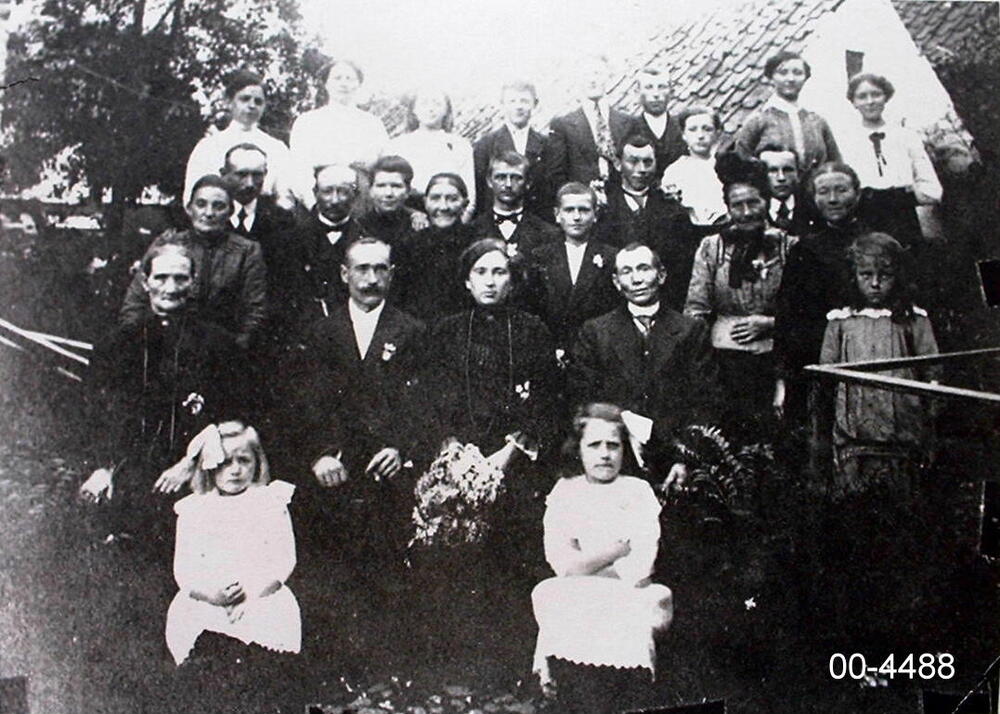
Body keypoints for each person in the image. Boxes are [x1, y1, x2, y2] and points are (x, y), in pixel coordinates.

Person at [80, 240, 242, 550]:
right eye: (161, 278)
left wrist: (191, 464)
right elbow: (94, 413)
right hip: (130, 473)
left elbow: (232, 415)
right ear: (145, 282)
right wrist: (102, 467)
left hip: (198, 474)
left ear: (192, 282)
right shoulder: (117, 343)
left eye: (180, 278)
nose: (171, 287)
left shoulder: (219, 344)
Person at [420, 239, 560, 571]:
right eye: (480, 272)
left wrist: (510, 453)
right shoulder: (446, 331)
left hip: (514, 461)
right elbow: (430, 396)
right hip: (456, 462)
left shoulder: (533, 330)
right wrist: (454, 452)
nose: (490, 281)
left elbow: (547, 397)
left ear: (512, 281)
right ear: (467, 281)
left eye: (499, 272)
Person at [289, 237, 425, 570]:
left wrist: (400, 448)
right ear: (344, 274)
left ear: (391, 274)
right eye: (362, 269)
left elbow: (423, 403)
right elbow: (303, 404)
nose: (371, 279)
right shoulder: (319, 333)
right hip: (334, 474)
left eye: (380, 269)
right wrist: (320, 454)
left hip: (389, 473)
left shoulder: (413, 332)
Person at [531, 403, 672, 713]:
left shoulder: (637, 491)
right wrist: (616, 549)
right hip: (577, 588)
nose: (605, 454)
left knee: (638, 603)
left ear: (624, 449)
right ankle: (573, 696)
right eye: (594, 445)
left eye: (613, 445)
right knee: (548, 593)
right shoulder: (566, 491)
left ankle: (623, 695)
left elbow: (642, 566)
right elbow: (562, 562)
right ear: (578, 449)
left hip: (627, 590)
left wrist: (586, 563)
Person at [569, 243, 722, 486]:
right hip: (616, 458)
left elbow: (705, 400)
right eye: (627, 271)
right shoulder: (596, 332)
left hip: (674, 461)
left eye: (643, 268)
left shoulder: (691, 331)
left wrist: (685, 460)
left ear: (661, 275)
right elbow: (584, 397)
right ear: (616, 282)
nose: (637, 279)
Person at [165, 421, 300, 666]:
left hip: (260, 594)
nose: (235, 470)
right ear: (208, 466)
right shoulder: (195, 509)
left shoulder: (270, 502)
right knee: (197, 630)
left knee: (267, 628)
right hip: (209, 597)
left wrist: (252, 594)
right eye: (225, 462)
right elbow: (184, 569)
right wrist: (212, 595)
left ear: (257, 461)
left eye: (244, 460)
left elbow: (284, 559)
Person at [820, 233, 940, 496]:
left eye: (885, 276)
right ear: (853, 276)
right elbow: (825, 374)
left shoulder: (914, 320)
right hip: (854, 432)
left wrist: (929, 421)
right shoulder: (841, 321)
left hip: (902, 432)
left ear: (898, 277)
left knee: (901, 498)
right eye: (866, 275)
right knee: (855, 499)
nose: (875, 283)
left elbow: (933, 372)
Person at [683, 153, 794, 433]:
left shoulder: (790, 248)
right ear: (728, 208)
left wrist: (770, 323)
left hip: (778, 359)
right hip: (725, 363)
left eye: (753, 202)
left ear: (766, 201)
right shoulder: (712, 248)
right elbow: (696, 309)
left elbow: (805, 311)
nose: (746, 213)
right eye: (737, 205)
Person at [774, 162, 871, 476]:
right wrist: (784, 377)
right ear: (813, 198)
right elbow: (788, 317)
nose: (833, 199)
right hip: (817, 359)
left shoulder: (875, 243)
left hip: (868, 352)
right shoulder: (805, 249)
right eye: (824, 191)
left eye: (841, 190)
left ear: (856, 193)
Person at [119, 175, 267, 350]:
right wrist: (139, 344)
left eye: (219, 206)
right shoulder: (167, 243)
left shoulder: (246, 251)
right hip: (166, 345)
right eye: (201, 204)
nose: (209, 213)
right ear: (189, 208)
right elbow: (135, 302)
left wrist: (234, 351)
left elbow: (255, 313)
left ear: (230, 212)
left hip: (222, 349)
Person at [838, 72, 942, 250]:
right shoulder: (846, 140)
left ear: (886, 97)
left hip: (902, 213)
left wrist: (910, 193)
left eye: (876, 94)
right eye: (862, 96)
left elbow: (930, 184)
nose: (870, 101)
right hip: (864, 215)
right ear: (853, 102)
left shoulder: (905, 136)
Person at [595, 134, 697, 309]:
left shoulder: (672, 209)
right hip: (615, 305)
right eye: (633, 162)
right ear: (618, 164)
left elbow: (683, 266)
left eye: (648, 162)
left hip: (666, 303)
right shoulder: (604, 208)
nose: (641, 169)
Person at [524, 182, 618, 354]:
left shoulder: (610, 257)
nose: (576, 217)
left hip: (596, 350)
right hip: (550, 348)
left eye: (584, 210)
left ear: (595, 215)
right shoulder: (539, 257)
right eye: (569, 210)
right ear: (557, 215)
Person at [183, 70, 294, 208]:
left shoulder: (276, 148)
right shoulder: (208, 147)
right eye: (245, 99)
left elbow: (285, 197)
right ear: (229, 102)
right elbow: (191, 197)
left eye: (258, 101)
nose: (252, 105)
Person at [289, 59, 388, 206]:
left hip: (362, 200)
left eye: (349, 79)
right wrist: (312, 205)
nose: (344, 83)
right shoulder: (307, 122)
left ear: (358, 84)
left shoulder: (373, 124)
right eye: (337, 78)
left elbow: (385, 168)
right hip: (318, 198)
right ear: (326, 84)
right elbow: (299, 169)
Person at [735, 51, 840, 176]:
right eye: (783, 72)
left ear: (805, 78)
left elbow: (836, 164)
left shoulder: (818, 122)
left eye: (798, 73)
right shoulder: (757, 121)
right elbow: (740, 161)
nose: (791, 79)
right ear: (771, 77)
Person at [288, 165, 364, 326]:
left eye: (343, 192)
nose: (334, 200)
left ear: (356, 195)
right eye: (327, 191)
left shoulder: (366, 240)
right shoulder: (292, 240)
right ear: (315, 193)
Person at [545, 54, 632, 195]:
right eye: (586, 75)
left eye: (597, 74)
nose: (592, 80)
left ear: (609, 77)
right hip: (581, 202)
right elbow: (556, 176)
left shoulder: (628, 123)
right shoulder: (563, 125)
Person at [394, 173, 476, 322]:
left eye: (452, 199)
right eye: (435, 198)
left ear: (465, 203)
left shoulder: (476, 242)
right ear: (425, 202)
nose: (443, 207)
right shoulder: (408, 245)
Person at [389, 90, 476, 223]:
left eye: (437, 104)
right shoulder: (398, 145)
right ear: (414, 110)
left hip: (448, 213)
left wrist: (460, 226)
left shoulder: (460, 145)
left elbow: (470, 196)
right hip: (408, 214)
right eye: (424, 103)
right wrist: (411, 214)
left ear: (446, 110)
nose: (430, 109)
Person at [219, 143, 296, 282]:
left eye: (257, 175)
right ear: (224, 174)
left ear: (265, 174)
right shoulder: (211, 217)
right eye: (241, 175)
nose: (250, 183)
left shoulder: (282, 220)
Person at [473, 80, 550, 217]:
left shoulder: (547, 144)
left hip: (538, 219)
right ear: (502, 104)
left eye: (524, 101)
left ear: (535, 104)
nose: (518, 107)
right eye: (512, 101)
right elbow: (481, 191)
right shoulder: (485, 144)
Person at [470, 151, 560, 256]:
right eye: (501, 177)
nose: (508, 184)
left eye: (516, 178)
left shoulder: (548, 233)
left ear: (528, 183)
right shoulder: (471, 231)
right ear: (489, 181)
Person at [659, 106, 727, 228]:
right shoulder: (675, 172)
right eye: (692, 130)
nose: (700, 135)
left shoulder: (727, 165)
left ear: (717, 133)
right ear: (684, 135)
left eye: (707, 129)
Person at [628, 66, 687, 181]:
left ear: (671, 92)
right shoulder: (628, 130)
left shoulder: (684, 129)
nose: (656, 94)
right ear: (637, 92)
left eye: (662, 87)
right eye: (649, 87)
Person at [356, 155, 428, 248]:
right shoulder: (358, 226)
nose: (388, 193)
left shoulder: (418, 224)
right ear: (370, 190)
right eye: (381, 186)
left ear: (408, 191)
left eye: (396, 186)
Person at [758, 143, 816, 236]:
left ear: (799, 174)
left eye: (787, 170)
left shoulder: (813, 208)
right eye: (772, 170)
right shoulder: (754, 212)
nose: (781, 178)